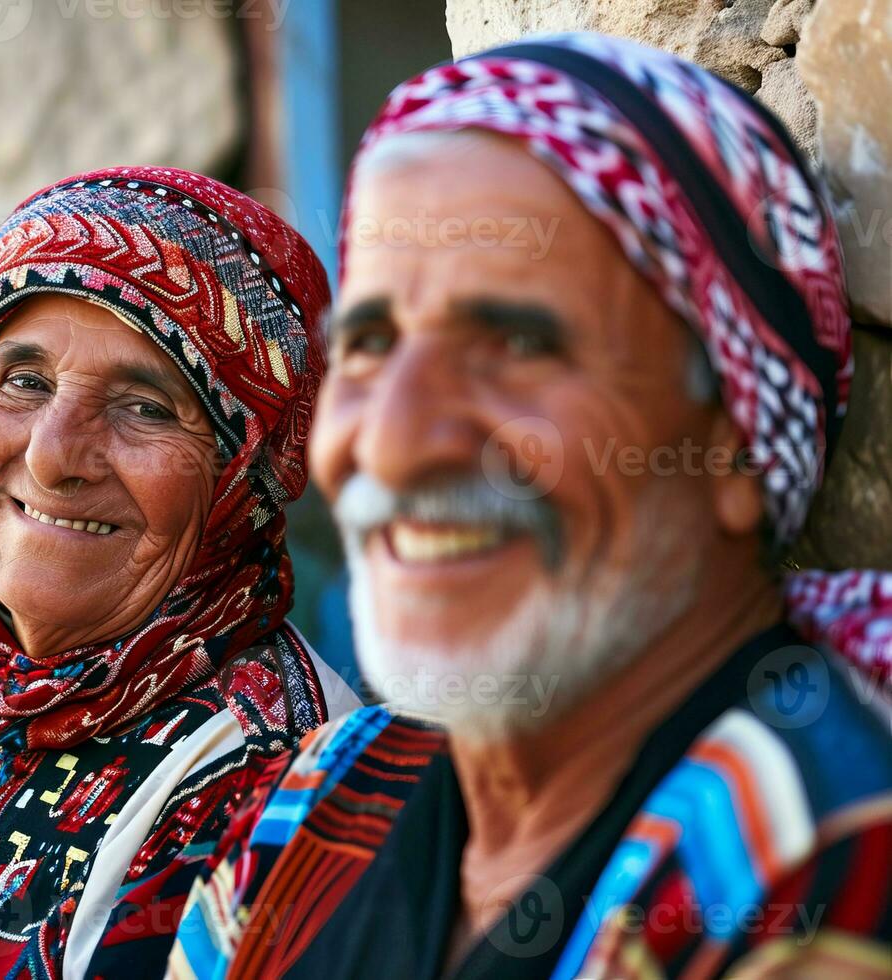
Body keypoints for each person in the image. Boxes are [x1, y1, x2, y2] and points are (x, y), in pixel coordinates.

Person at [169, 34, 892, 979]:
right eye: (371, 341)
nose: (391, 438)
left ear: (731, 438)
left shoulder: (816, 856)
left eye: (516, 341)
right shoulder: (321, 801)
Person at [0, 167, 358, 980]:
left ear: (244, 477)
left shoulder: (287, 786)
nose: (52, 458)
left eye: (147, 406)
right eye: (23, 381)